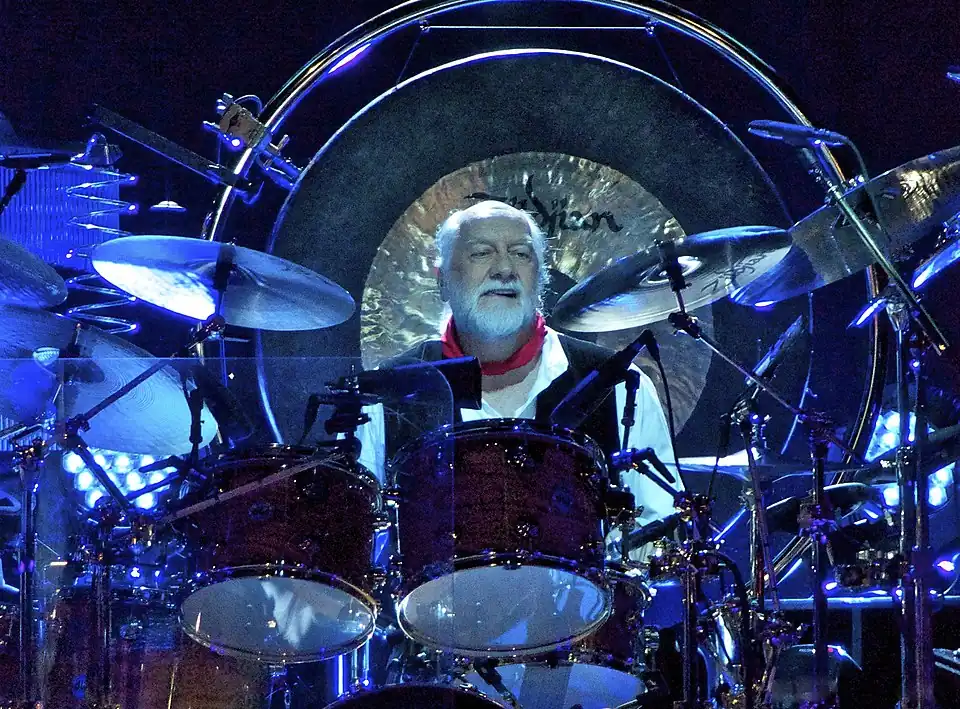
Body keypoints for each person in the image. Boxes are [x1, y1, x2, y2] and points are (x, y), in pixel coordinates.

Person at [355, 200, 681, 541]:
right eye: (482, 253)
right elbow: (360, 545)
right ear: (443, 281)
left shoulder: (621, 384)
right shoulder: (385, 395)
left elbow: (660, 531)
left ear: (539, 278)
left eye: (521, 254)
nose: (504, 269)